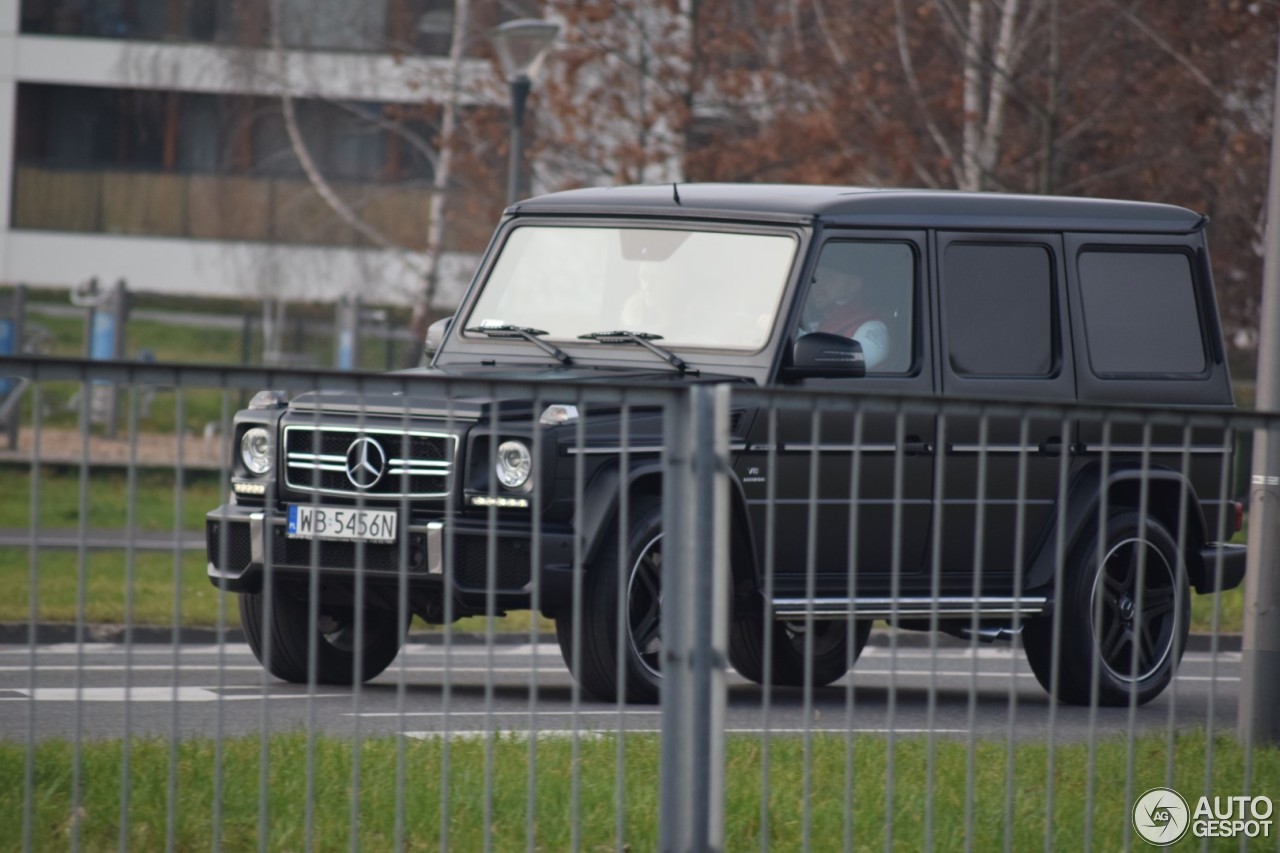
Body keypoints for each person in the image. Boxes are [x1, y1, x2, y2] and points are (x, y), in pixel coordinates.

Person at [802, 259, 890, 369]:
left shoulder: (875, 328)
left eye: (828, 277)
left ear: (853, 285)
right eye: (816, 277)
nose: (816, 285)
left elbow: (848, 364)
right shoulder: (823, 322)